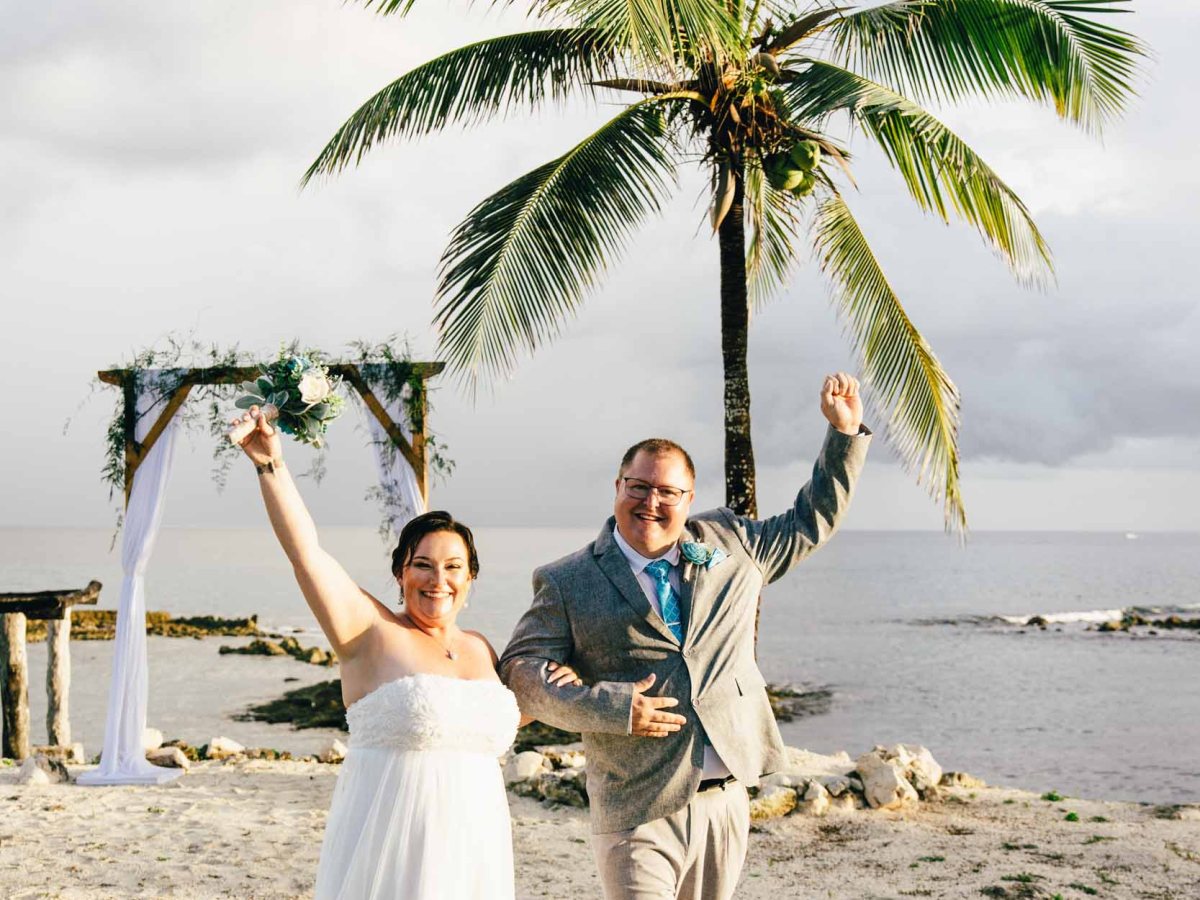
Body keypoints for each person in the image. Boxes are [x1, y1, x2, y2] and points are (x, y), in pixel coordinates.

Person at [500, 373, 871, 900]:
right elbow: (521, 677)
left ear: (689, 497)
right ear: (618, 487)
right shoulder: (566, 580)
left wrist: (844, 434)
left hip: (726, 800)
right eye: (639, 487)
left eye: (668, 491)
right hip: (636, 806)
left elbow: (812, 520)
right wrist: (609, 705)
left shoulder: (732, 540)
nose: (652, 501)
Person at [231, 405, 579, 900]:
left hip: (476, 845)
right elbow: (306, 552)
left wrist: (554, 688)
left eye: (453, 567)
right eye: (423, 565)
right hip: (394, 849)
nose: (439, 580)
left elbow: (480, 721)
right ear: (401, 574)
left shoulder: (481, 648)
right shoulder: (369, 632)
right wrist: (271, 466)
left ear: (470, 578)